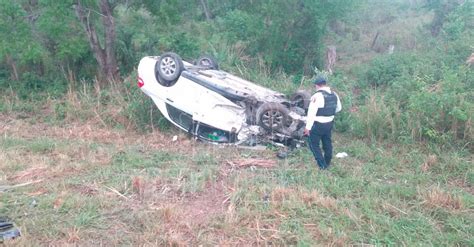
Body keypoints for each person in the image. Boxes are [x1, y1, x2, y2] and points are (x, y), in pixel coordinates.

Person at [304, 76, 342, 169]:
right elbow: (339, 108)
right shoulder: (334, 94)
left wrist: (307, 128)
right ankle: (327, 162)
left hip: (318, 124)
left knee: (314, 144)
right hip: (329, 123)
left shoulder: (316, 96)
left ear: (316, 85)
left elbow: (311, 113)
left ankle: (322, 166)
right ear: (325, 84)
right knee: (327, 143)